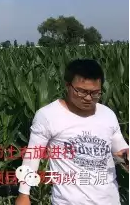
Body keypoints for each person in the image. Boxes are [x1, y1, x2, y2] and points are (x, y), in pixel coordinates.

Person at [15, 58, 129, 205]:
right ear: (67, 85)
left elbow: (120, 150)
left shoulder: (107, 114)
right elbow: (33, 156)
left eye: (95, 93)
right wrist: (23, 194)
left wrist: (126, 157)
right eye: (81, 91)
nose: (88, 98)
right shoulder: (48, 115)